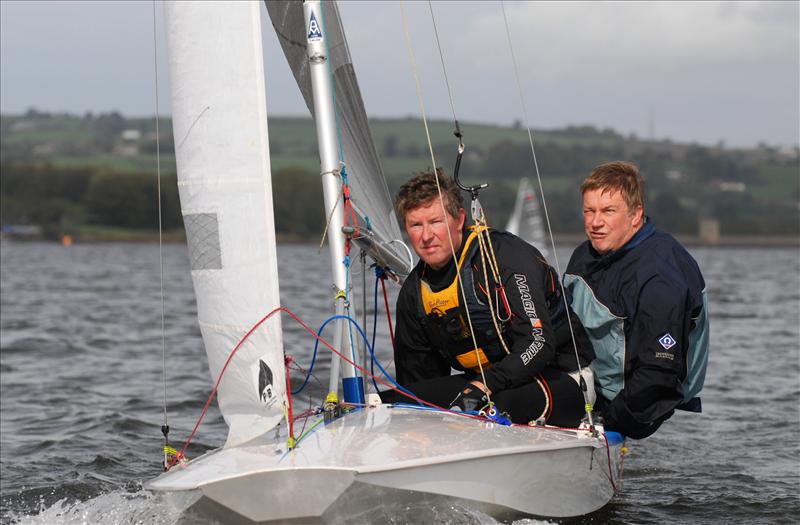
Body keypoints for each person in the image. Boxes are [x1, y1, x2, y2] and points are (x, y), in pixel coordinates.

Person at [381, 170, 594, 427]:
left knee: (482, 408)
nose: (426, 236)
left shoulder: (506, 259)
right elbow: (419, 381)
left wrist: (485, 385)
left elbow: (538, 343)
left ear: (459, 219)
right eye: (416, 225)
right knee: (395, 404)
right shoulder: (415, 293)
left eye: (435, 222)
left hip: (562, 378)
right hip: (483, 388)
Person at [564, 161, 709, 439]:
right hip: (587, 381)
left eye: (608, 211)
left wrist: (604, 420)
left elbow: (657, 378)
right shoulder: (584, 256)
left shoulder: (660, 277)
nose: (595, 222)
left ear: (635, 215)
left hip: (636, 401)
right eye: (589, 211)